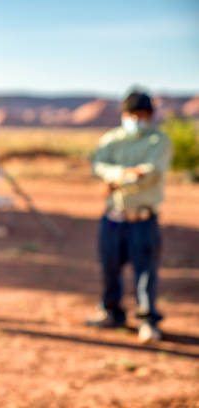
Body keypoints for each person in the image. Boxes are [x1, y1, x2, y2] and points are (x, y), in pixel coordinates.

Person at [86, 90, 172, 344]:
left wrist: (114, 179)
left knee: (145, 271)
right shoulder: (111, 139)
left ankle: (147, 320)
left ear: (149, 115)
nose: (135, 119)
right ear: (124, 115)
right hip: (113, 218)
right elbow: (98, 166)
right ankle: (111, 311)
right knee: (109, 266)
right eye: (131, 115)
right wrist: (126, 174)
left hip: (142, 219)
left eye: (141, 115)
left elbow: (151, 172)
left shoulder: (159, 141)